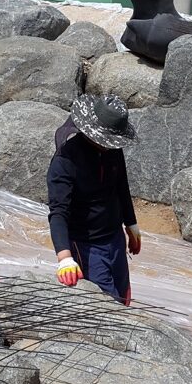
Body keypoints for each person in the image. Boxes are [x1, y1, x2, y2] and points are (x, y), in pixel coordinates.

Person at [47, 93, 142, 304]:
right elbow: (58, 213)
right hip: (86, 244)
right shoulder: (65, 162)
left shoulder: (112, 150)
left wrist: (131, 223)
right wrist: (64, 258)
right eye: (107, 141)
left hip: (114, 237)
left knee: (122, 293)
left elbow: (121, 184)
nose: (110, 146)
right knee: (106, 302)